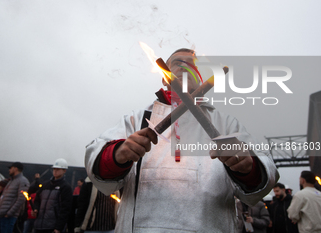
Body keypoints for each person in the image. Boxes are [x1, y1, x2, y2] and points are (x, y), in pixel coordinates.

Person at [85, 48, 279, 232]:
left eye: (193, 64)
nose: (186, 67)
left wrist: (247, 167)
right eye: (178, 63)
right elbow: (98, 164)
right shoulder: (138, 119)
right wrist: (118, 155)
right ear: (164, 76)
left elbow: (263, 177)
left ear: (201, 77)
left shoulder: (225, 123)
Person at [33, 158, 73, 233]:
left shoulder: (65, 187)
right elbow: (37, 199)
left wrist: (58, 228)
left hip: (52, 227)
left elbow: (65, 209)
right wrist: (36, 209)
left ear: (64, 171)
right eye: (54, 169)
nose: (55, 171)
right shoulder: (45, 185)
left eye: (58, 169)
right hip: (39, 225)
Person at [0, 162, 29, 233]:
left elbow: (21, 199)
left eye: (10, 168)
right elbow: (4, 198)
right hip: (1, 215)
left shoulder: (23, 181)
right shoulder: (11, 181)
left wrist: (9, 213)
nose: (9, 170)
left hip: (8, 217)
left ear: (15, 169)